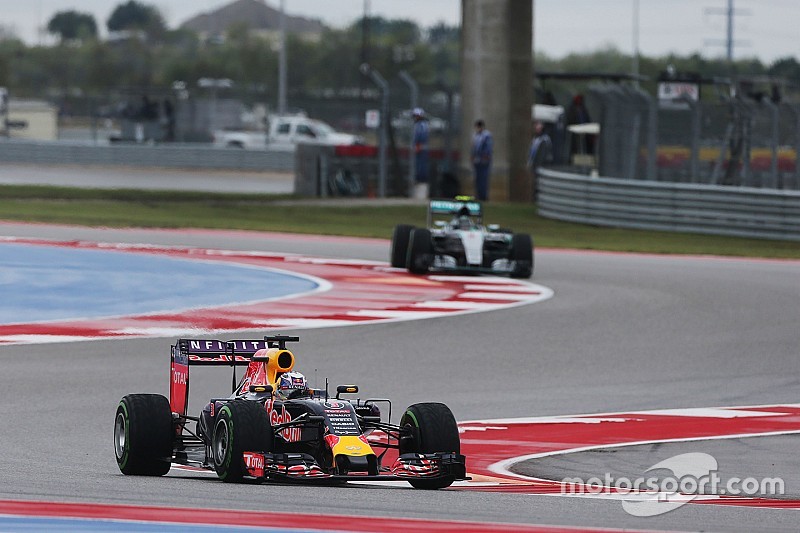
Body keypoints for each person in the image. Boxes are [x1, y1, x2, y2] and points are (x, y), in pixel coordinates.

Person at [527, 120, 553, 200]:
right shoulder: (535, 139)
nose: (536, 127)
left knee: (540, 184)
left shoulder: (544, 140)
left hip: (541, 166)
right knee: (535, 184)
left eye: (538, 125)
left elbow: (543, 155)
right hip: (534, 165)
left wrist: (539, 166)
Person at [471, 119, 493, 201]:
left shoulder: (486, 136)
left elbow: (488, 148)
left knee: (484, 178)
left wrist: (486, 156)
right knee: (477, 179)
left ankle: (484, 196)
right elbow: (473, 147)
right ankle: (478, 195)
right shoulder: (475, 136)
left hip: (484, 161)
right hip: (477, 160)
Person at [412, 108, 430, 198]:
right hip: (419, 148)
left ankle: (421, 179)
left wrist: (418, 144)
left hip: (421, 148)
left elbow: (422, 136)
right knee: (418, 164)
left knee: (421, 165)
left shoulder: (422, 125)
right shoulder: (419, 125)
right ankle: (419, 178)